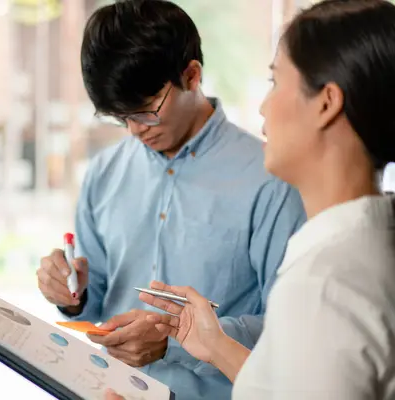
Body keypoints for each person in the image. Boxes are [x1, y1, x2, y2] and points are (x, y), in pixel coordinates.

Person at [105, 0, 395, 398]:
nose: (263, 105)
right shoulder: (362, 246)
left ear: (326, 103)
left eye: (276, 82)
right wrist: (216, 345)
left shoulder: (327, 281)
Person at [36, 1, 306, 398]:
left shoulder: (271, 180)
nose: (133, 130)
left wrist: (174, 340)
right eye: (119, 117)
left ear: (192, 75)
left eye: (145, 112)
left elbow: (288, 330)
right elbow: (95, 301)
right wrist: (72, 297)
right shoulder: (102, 175)